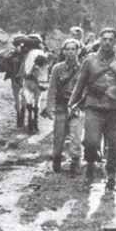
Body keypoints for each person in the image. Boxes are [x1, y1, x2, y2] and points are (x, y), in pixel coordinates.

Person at [68, 27, 116, 189]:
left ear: (115, 42)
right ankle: (90, 164)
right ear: (100, 40)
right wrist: (71, 103)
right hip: (94, 107)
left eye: (111, 39)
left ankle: (111, 175)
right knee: (91, 142)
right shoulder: (90, 60)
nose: (108, 42)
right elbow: (80, 83)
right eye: (105, 39)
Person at [46, 38, 84, 176]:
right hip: (61, 106)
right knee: (59, 135)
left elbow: (86, 89)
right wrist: (49, 106)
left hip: (76, 107)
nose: (70, 52)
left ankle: (75, 161)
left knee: (76, 136)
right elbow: (52, 88)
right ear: (63, 51)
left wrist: (82, 104)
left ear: (78, 51)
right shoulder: (57, 68)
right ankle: (56, 158)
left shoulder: (83, 68)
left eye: (73, 49)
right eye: (67, 49)